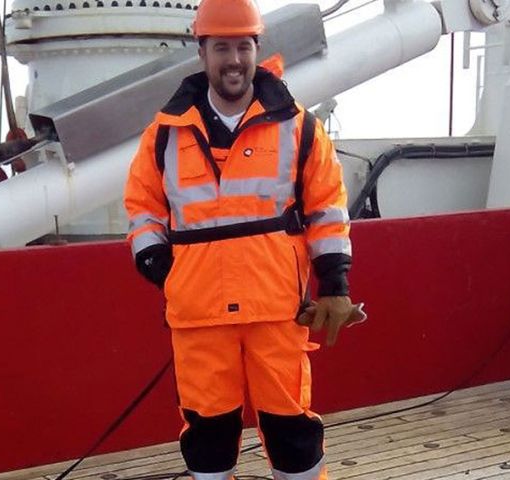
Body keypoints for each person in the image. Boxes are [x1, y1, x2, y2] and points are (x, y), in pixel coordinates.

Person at [124, 0, 361, 478]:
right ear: (202, 52)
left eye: (243, 47)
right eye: (222, 48)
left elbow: (327, 209)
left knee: (292, 430)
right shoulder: (162, 136)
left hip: (276, 310)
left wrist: (334, 285)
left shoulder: (300, 128)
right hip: (198, 316)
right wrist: (157, 263)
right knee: (207, 438)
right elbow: (143, 206)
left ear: (257, 49)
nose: (233, 59)